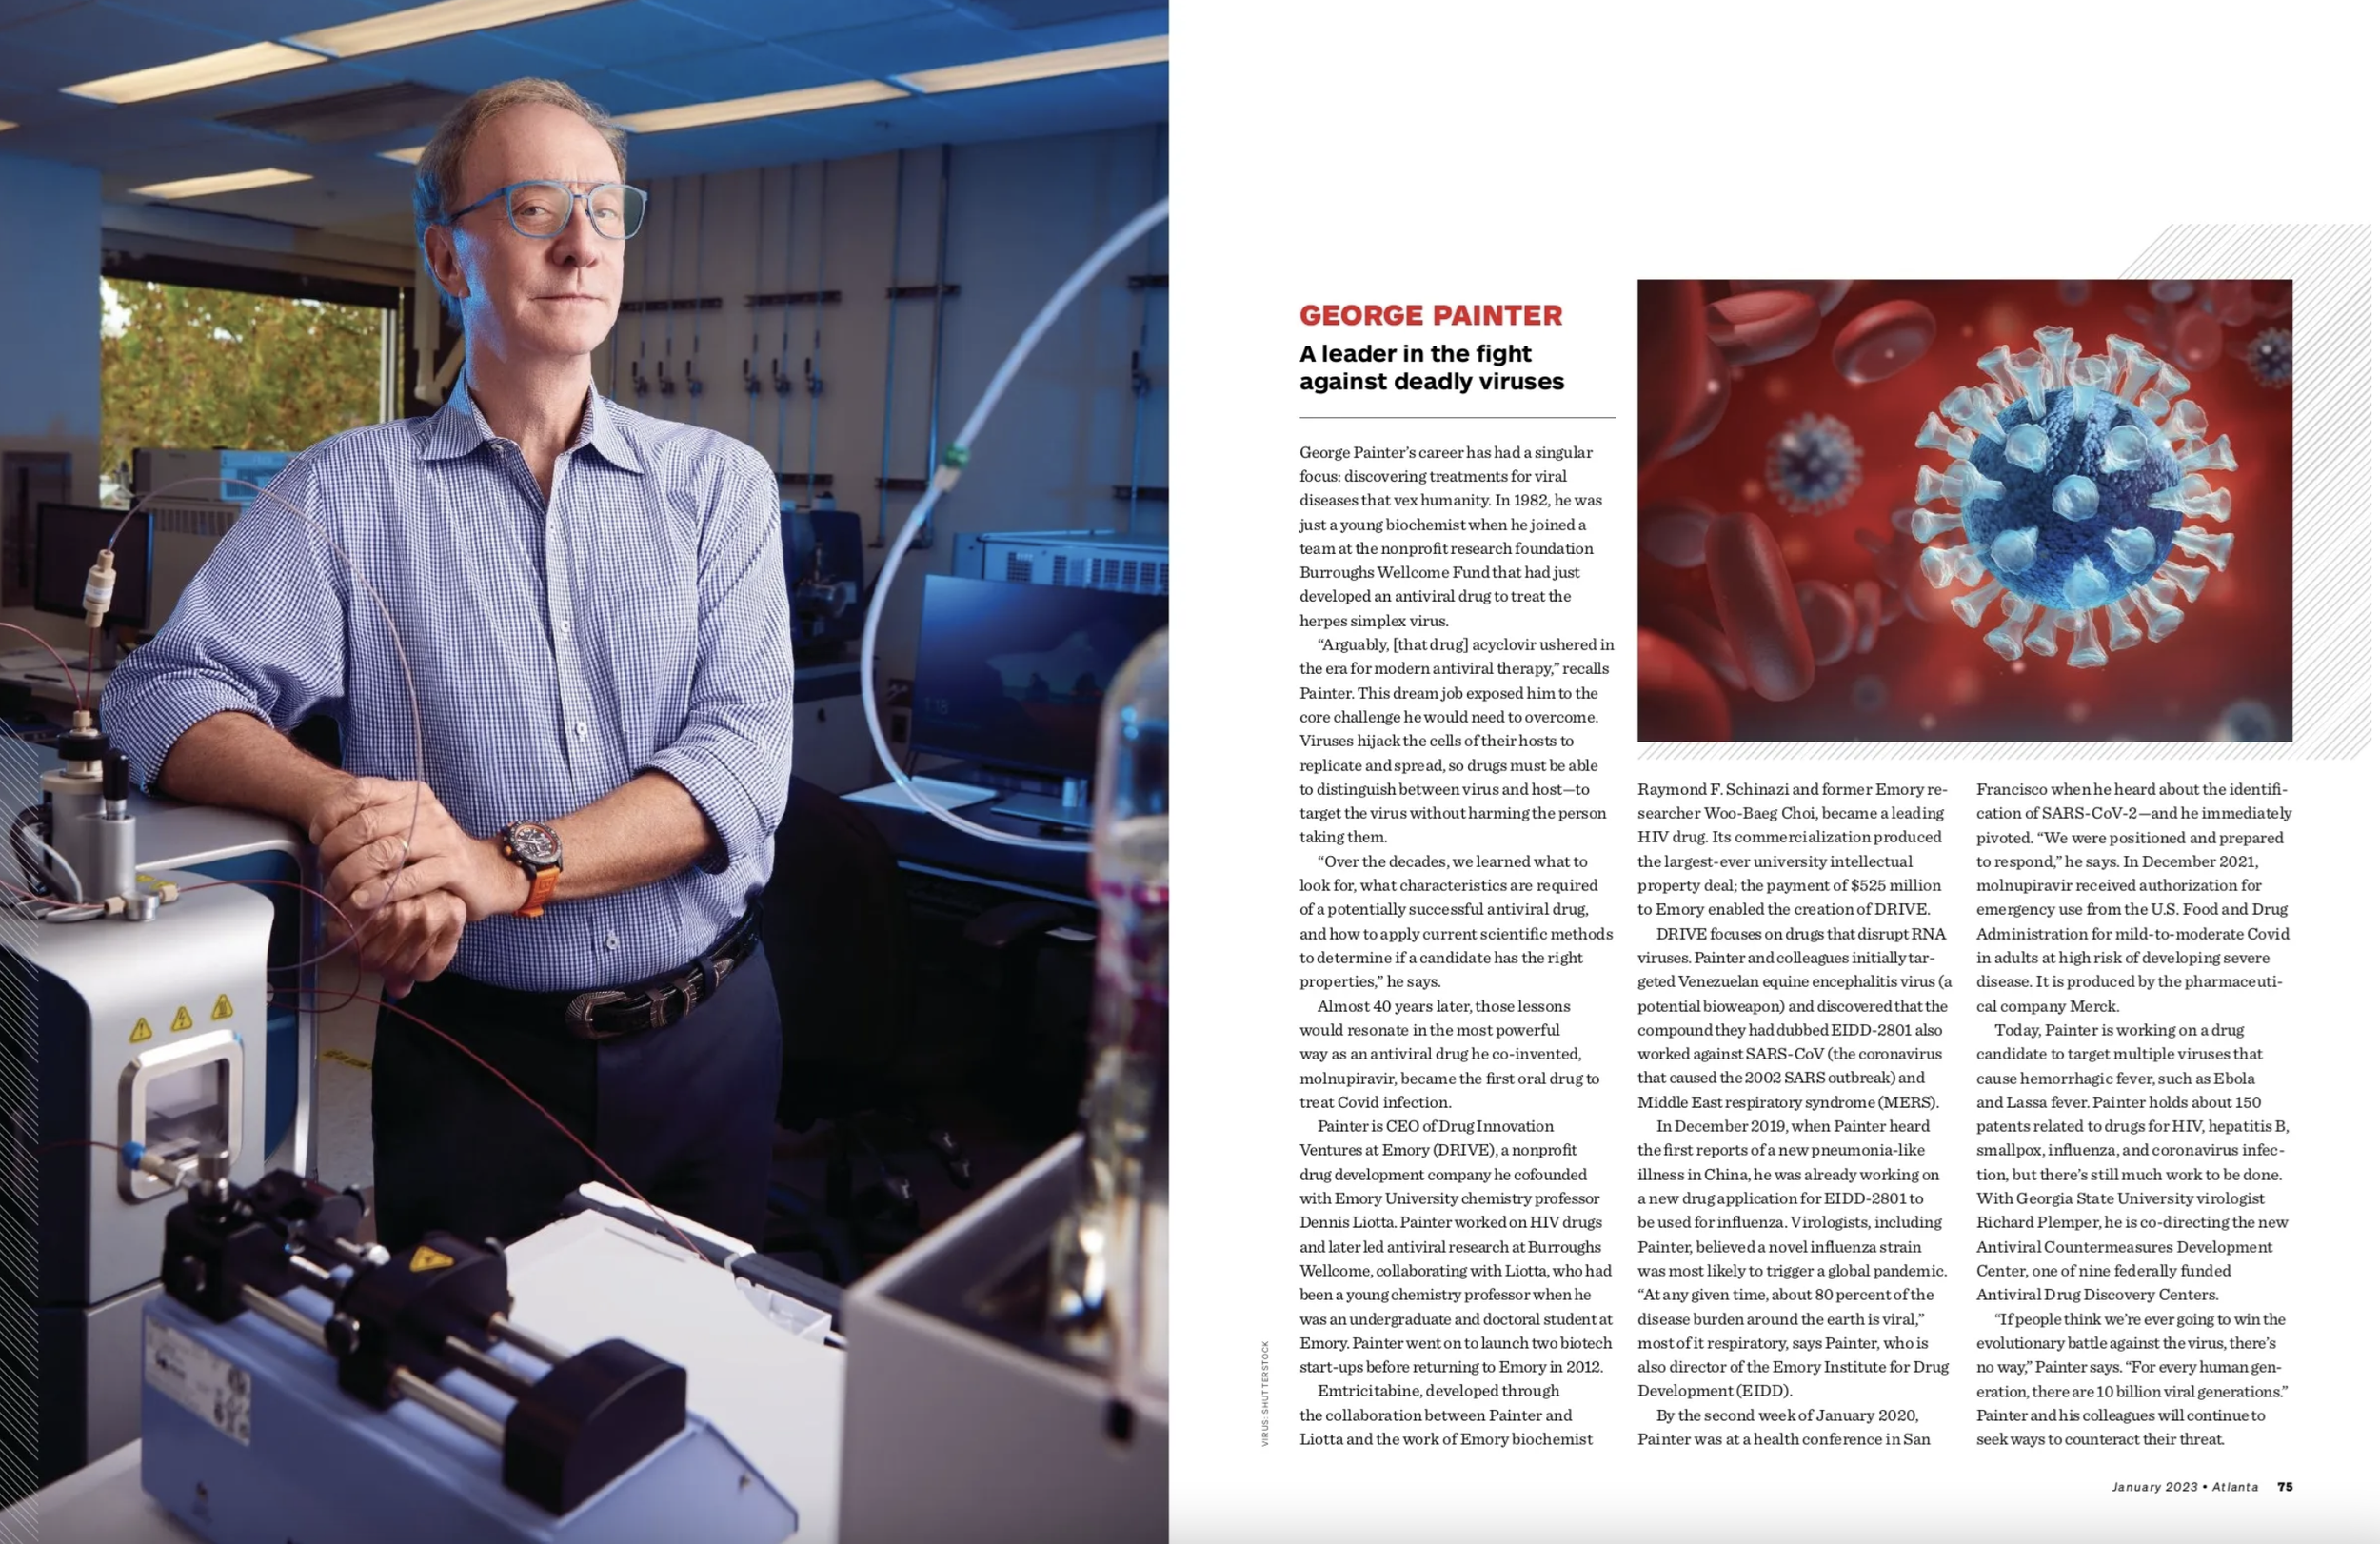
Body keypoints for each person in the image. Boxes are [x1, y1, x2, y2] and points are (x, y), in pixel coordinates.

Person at [103, 78, 794, 1253]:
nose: (582, 242)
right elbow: (160, 692)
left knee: (702, 1394)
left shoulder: (719, 486)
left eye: (604, 208)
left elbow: (739, 760)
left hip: (709, 1039)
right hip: (480, 1060)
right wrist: (339, 803)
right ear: (449, 255)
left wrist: (497, 863)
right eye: (533, 208)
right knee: (469, 1395)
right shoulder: (348, 490)